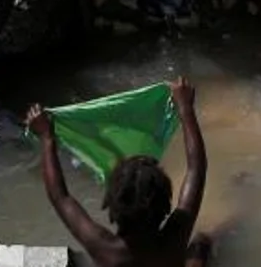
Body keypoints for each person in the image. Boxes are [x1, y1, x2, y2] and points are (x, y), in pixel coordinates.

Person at [26, 77, 212, 267]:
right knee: (201, 243)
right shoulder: (175, 235)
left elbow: (60, 197)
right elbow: (196, 169)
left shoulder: (104, 248)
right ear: (165, 205)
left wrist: (47, 138)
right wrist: (185, 109)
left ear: (111, 204)